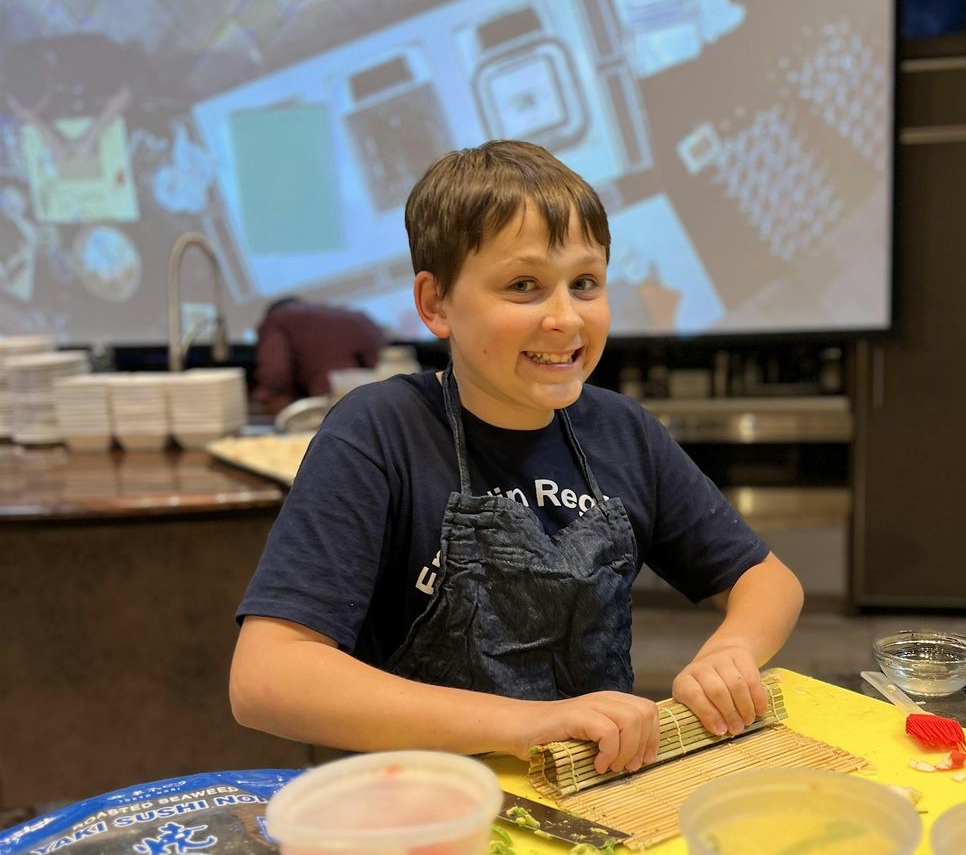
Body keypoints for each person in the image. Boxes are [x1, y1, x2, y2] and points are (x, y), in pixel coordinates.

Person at [230, 140, 804, 775]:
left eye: (584, 284)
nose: (565, 319)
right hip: (427, 800)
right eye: (523, 286)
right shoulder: (378, 433)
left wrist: (730, 652)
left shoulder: (623, 433)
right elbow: (267, 677)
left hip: (594, 786)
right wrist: (527, 724)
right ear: (435, 304)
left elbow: (768, 581)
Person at [251, 296, 388, 414]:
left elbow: (275, 372)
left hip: (330, 401)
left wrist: (265, 396)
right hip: (380, 398)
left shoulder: (277, 318)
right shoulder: (356, 316)